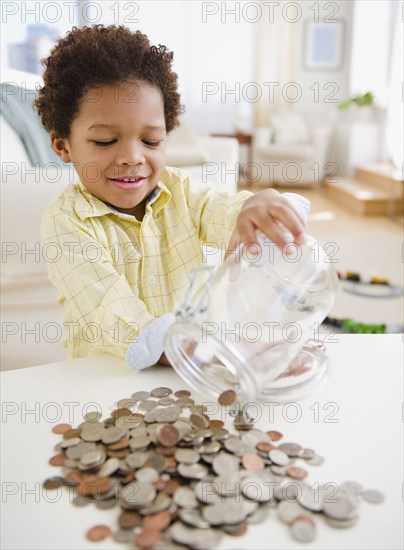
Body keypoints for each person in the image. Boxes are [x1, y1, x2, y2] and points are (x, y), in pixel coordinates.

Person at [37, 25, 308, 372]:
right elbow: (107, 308)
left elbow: (224, 211)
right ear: (63, 145)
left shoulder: (180, 189)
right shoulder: (65, 221)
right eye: (105, 141)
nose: (132, 157)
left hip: (195, 373)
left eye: (151, 141)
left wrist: (257, 208)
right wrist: (213, 352)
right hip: (108, 379)